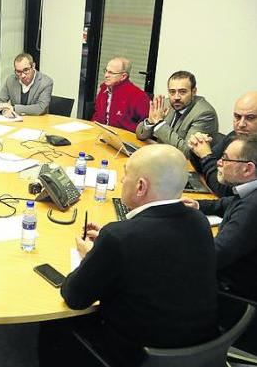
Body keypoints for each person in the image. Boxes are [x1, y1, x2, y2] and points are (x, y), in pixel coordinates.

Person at [40, 144, 218, 366]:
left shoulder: (118, 238)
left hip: (139, 355)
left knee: (53, 325)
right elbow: (156, 251)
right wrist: (109, 243)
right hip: (200, 348)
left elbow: (74, 297)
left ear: (141, 186)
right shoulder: (198, 221)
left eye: (126, 175)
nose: (123, 181)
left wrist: (92, 255)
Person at [182, 134, 257, 302]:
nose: (218, 162)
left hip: (230, 295)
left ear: (248, 169)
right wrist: (197, 205)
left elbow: (213, 255)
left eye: (225, 159)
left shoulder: (253, 207)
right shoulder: (252, 190)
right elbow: (224, 204)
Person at [188, 91, 257, 197]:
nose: (241, 124)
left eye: (250, 118)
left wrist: (205, 155)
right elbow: (205, 166)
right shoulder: (236, 135)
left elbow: (225, 190)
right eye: (237, 117)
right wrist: (197, 147)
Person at [136, 71, 218, 156]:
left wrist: (159, 124)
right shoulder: (167, 103)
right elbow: (140, 134)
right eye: (172, 92)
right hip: (163, 156)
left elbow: (187, 152)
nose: (176, 97)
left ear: (193, 92)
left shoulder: (204, 113)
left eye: (182, 92)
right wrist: (150, 121)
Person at [90, 57, 149, 132]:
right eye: (106, 71)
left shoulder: (138, 96)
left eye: (111, 73)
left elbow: (145, 127)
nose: (106, 75)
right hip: (102, 134)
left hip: (125, 137)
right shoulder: (104, 88)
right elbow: (97, 115)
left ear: (123, 76)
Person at [0, 52, 53, 117]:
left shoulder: (46, 82)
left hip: (37, 122)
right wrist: (4, 110)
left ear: (33, 66)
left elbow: (40, 108)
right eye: (18, 71)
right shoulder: (11, 80)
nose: (23, 75)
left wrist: (14, 108)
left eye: (26, 70)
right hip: (15, 121)